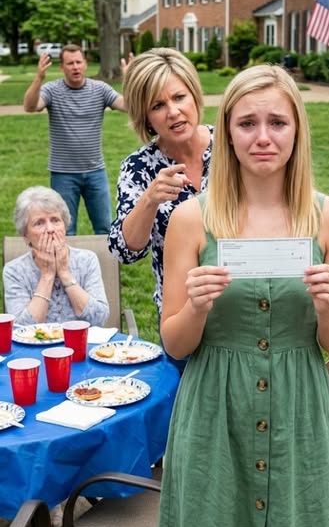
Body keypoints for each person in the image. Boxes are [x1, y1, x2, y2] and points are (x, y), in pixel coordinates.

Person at [158, 64, 329, 527]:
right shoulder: (191, 219)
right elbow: (175, 344)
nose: (263, 137)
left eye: (277, 122)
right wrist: (196, 308)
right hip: (214, 411)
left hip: (298, 412)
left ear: (297, 130)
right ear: (226, 132)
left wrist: (328, 309)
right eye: (247, 123)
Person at [107, 47, 213, 371]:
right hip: (180, 317)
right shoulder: (139, 167)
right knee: (184, 401)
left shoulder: (232, 147)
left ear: (194, 95)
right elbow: (124, 250)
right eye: (158, 105)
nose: (173, 112)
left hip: (242, 308)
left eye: (179, 97)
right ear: (146, 117)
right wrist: (149, 200)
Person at [23, 44, 126, 235]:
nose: (75, 67)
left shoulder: (100, 89)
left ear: (85, 64)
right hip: (63, 174)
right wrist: (39, 78)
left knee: (105, 228)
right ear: (62, 67)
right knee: (65, 230)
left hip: (95, 171)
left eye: (79, 62)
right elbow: (30, 106)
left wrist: (130, 79)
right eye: (70, 63)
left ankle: (105, 257)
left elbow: (128, 106)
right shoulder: (52, 90)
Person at [3, 185, 109, 326]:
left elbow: (99, 319)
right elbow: (20, 327)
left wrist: (64, 272)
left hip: (82, 339)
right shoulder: (14, 270)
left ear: (65, 226)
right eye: (39, 223)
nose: (50, 229)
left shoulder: (87, 260)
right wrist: (47, 275)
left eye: (55, 220)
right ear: (25, 235)